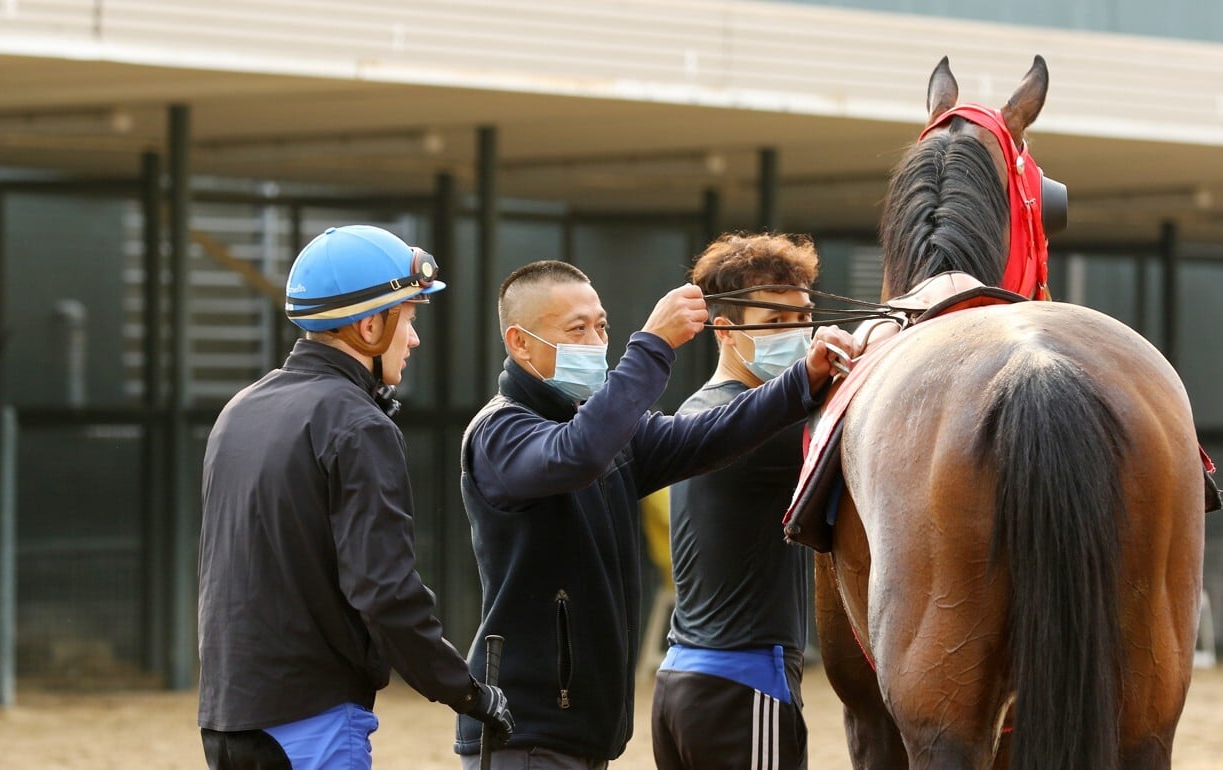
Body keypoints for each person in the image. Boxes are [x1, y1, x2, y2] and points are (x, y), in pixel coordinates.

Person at [454, 258, 858, 769]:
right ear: (520, 343)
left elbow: (710, 434)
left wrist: (806, 375)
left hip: (581, 733)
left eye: (601, 326)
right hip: (525, 729)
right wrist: (654, 343)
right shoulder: (499, 433)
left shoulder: (605, 430)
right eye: (576, 329)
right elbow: (578, 453)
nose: (595, 341)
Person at [198, 225, 513, 770]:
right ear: (370, 325)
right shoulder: (356, 424)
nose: (413, 338)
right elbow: (385, 591)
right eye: (408, 318)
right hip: (312, 720)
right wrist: (466, 691)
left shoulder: (240, 409)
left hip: (226, 720)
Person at [651, 232, 820, 770]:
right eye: (774, 324)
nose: (797, 336)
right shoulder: (754, 428)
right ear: (725, 331)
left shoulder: (700, 411)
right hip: (745, 685)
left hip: (685, 683)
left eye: (804, 318)